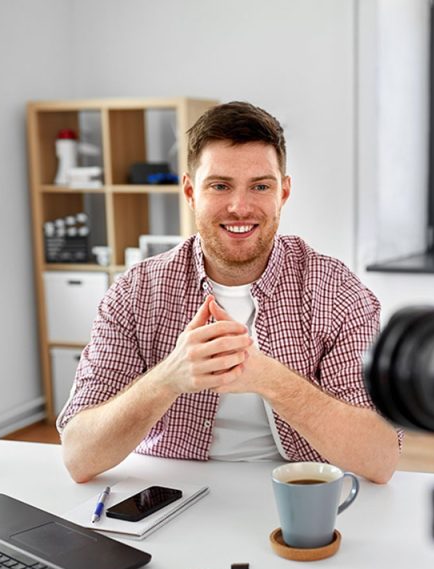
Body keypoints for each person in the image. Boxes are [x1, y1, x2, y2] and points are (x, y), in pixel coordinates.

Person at [58, 101, 400, 484]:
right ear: (190, 191)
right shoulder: (136, 292)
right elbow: (78, 456)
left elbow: (381, 458)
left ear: (283, 193)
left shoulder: (336, 291)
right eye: (220, 186)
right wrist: (168, 378)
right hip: (167, 490)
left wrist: (268, 378)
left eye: (260, 186)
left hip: (302, 491)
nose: (240, 207)